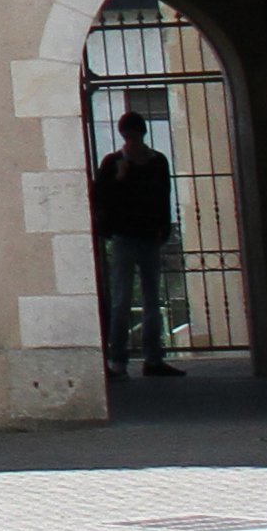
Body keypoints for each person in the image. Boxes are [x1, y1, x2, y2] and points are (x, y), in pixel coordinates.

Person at [91, 101, 183, 378]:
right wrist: (119, 178)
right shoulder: (114, 163)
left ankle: (151, 359)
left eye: (134, 134)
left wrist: (162, 229)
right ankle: (119, 361)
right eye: (129, 135)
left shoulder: (157, 163)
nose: (132, 140)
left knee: (151, 298)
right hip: (125, 237)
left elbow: (163, 196)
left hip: (146, 236)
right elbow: (100, 198)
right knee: (122, 299)